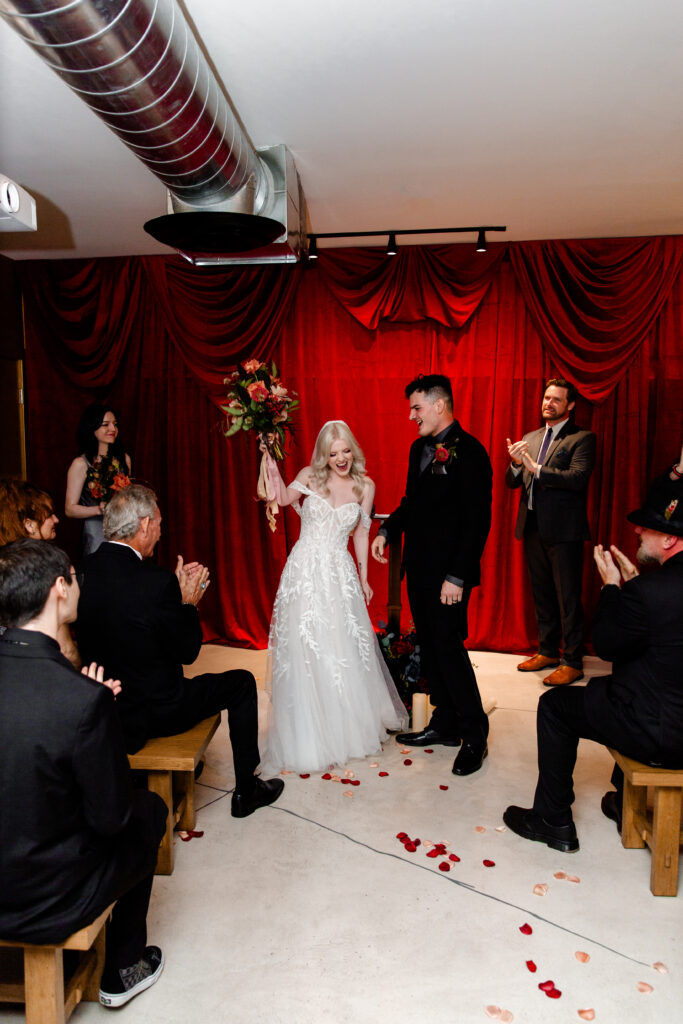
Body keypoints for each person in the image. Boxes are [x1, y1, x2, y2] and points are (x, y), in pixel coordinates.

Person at [0, 539, 167, 1009]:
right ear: (59, 588)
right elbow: (110, 817)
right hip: (40, 902)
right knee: (148, 810)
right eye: (74, 577)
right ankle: (122, 968)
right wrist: (97, 716)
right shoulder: (78, 698)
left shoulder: (77, 695)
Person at [503, 466, 683, 853]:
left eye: (648, 527)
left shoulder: (649, 592)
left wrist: (614, 590)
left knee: (556, 706)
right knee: (635, 691)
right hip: (669, 714)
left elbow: (607, 645)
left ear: (670, 539)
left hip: (663, 735)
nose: (637, 531)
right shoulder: (652, 592)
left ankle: (552, 820)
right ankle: (622, 802)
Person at [75, 483, 284, 817]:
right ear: (143, 525)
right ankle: (248, 789)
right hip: (157, 712)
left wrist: (170, 591)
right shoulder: (155, 582)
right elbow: (187, 652)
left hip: (108, 711)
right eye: (158, 522)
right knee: (243, 682)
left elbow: (131, 622)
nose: (161, 530)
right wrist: (188, 604)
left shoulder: (81, 571)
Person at [261, 421, 408, 773]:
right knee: (306, 649)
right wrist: (269, 458)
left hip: (338, 573)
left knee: (339, 649)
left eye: (346, 451)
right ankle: (306, 733)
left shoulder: (364, 485)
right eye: (333, 453)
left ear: (353, 450)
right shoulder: (308, 477)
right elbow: (280, 500)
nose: (341, 458)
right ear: (323, 455)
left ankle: (344, 728)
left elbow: (361, 533)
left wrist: (363, 578)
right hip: (305, 573)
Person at [371, 374, 493, 776]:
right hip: (419, 572)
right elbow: (412, 502)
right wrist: (388, 531)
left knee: (450, 649)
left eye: (417, 407)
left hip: (448, 579)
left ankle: (475, 733)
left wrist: (457, 577)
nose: (411, 416)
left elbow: (477, 523)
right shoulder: (417, 449)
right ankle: (445, 722)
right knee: (430, 647)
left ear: (440, 405)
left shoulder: (472, 454)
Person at [505, 378, 596, 687]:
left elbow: (578, 478)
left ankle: (572, 660)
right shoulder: (530, 437)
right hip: (532, 525)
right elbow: (512, 480)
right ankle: (547, 651)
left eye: (556, 399)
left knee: (567, 596)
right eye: (546, 398)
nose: (549, 404)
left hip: (564, 531)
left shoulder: (582, 438)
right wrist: (517, 465)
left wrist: (536, 468)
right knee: (541, 593)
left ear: (570, 405)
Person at [0, 476, 80, 667]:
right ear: (29, 525)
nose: (56, 519)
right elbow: (66, 650)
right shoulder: (42, 568)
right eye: (49, 514)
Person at [65, 403, 132, 555]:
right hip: (95, 532)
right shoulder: (81, 464)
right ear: (92, 428)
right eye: (105, 425)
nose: (112, 429)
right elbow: (69, 509)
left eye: (115, 424)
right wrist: (99, 509)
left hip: (122, 529)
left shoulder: (124, 460)